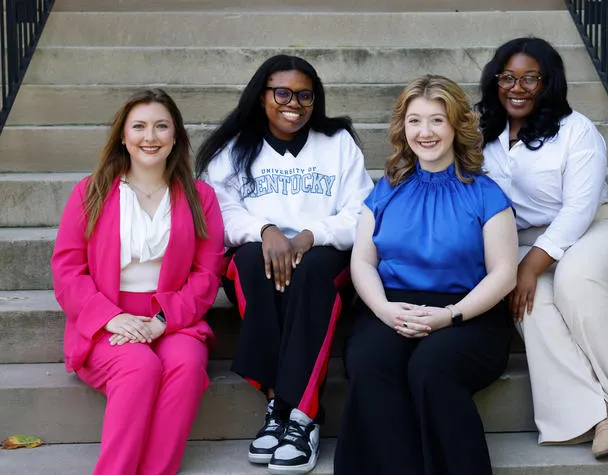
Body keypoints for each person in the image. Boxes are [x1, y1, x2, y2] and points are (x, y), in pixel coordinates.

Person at [196, 54, 373, 474]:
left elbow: (361, 213)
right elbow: (218, 214)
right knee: (251, 263)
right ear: (262, 97)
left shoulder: (337, 142)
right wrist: (266, 230)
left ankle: (295, 415)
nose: (294, 103)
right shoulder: (232, 147)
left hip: (323, 255)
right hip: (259, 253)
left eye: (305, 96)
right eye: (282, 93)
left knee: (312, 271)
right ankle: (286, 408)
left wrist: (311, 236)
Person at [334, 75, 518, 475]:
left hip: (469, 313)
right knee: (370, 362)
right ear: (403, 128)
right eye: (415, 121)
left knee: (431, 368)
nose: (425, 132)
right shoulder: (385, 190)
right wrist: (383, 310)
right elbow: (362, 262)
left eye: (437, 120)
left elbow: (504, 273)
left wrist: (450, 315)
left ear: (456, 126)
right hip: (393, 305)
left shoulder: (485, 193)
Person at [477, 37, 608, 457]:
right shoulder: (480, 133)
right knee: (532, 306)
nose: (517, 88)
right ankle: (600, 415)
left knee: (575, 278)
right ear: (495, 81)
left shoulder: (577, 130)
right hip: (519, 241)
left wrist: (529, 267)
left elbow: (578, 209)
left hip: (598, 230)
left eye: (530, 78)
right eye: (508, 77)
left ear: (548, 83)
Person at [51, 89, 225, 474]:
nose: (151, 137)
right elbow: (67, 269)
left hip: (173, 317)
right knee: (138, 367)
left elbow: (207, 273)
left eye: (161, 126)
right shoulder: (90, 192)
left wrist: (162, 320)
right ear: (123, 137)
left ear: (175, 136)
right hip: (105, 320)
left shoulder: (201, 198)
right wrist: (111, 318)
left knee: (185, 366)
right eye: (140, 127)